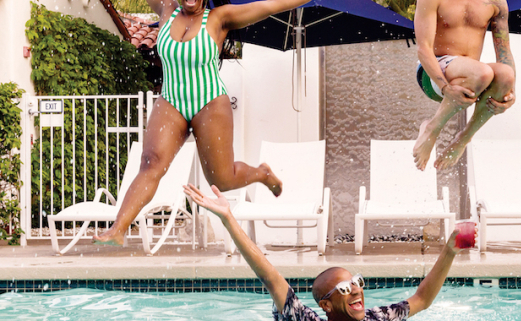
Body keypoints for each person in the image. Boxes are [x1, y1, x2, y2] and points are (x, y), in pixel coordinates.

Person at [94, 0, 309, 246]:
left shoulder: (220, 17)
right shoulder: (166, 8)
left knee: (222, 181)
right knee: (150, 162)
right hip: (171, 101)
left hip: (210, 103)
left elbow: (270, 6)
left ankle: (262, 173)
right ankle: (118, 229)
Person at [183, 184, 467, 321]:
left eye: (356, 282)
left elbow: (421, 299)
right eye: (345, 288)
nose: (356, 291)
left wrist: (450, 251)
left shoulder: (377, 318)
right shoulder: (305, 319)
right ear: (326, 306)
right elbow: (269, 276)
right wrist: (228, 219)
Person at [412, 0, 516, 170]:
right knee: (483, 72)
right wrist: (445, 87)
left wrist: (510, 92)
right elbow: (424, 49)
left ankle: (463, 139)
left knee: (505, 75)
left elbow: (504, 51)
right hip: (433, 73)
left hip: (471, 77)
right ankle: (432, 128)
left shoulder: (496, 2)